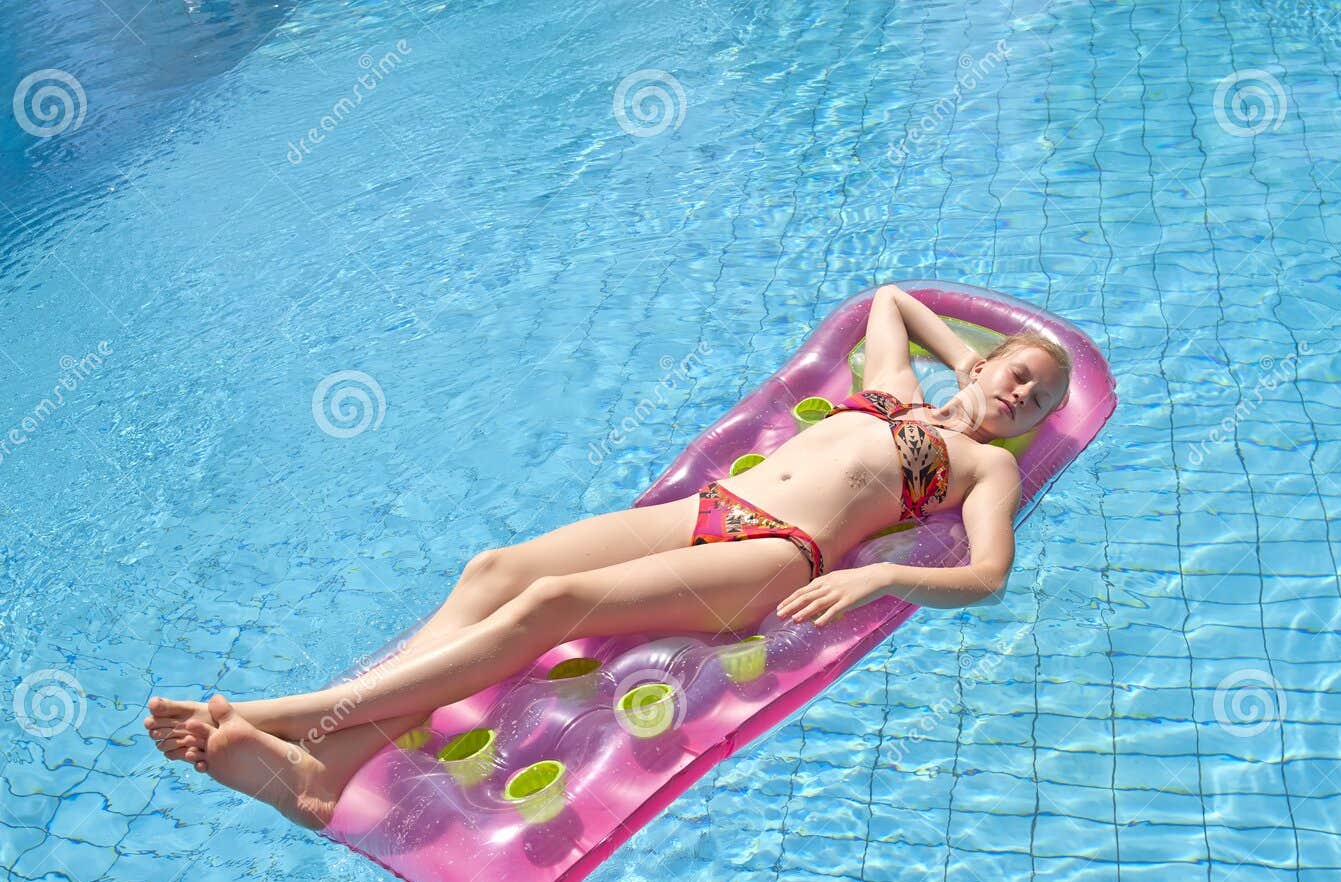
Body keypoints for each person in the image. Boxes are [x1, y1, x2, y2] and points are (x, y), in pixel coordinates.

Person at [143, 285, 1073, 827]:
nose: (1021, 398)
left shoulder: (983, 466)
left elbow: (988, 576)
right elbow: (889, 299)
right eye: (1018, 373)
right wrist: (963, 358)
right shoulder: (896, 390)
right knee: (496, 570)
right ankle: (325, 772)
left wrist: (882, 574)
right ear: (986, 361)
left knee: (550, 607)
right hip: (714, 507)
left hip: (776, 555)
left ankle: (289, 713)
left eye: (1036, 403)